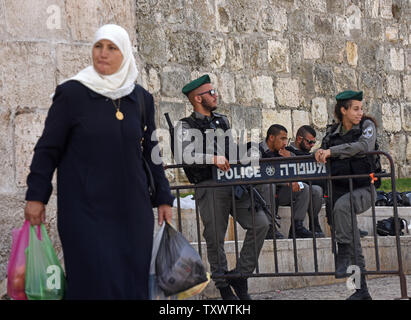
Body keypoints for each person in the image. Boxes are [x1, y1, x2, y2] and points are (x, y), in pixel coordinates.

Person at [24, 24, 174, 300]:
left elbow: (151, 151)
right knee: (93, 283)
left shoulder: (140, 98)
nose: (103, 53)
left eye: (112, 48)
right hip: (85, 211)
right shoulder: (71, 94)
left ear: (125, 53)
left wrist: (164, 197)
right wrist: (36, 196)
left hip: (132, 211)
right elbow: (48, 149)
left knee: (132, 285)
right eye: (98, 46)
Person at [178, 74, 270, 300]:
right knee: (215, 238)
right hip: (209, 185)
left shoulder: (222, 120)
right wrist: (212, 158)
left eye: (213, 91)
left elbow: (230, 149)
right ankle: (223, 287)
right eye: (210, 92)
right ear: (198, 99)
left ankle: (240, 275)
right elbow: (185, 155)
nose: (215, 94)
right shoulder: (184, 125)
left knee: (261, 223)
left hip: (232, 181)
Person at [314, 90, 377, 300]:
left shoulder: (367, 127)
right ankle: (360, 291)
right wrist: (319, 153)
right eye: (356, 108)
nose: (361, 112)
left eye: (361, 108)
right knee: (353, 243)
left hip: (362, 189)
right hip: (339, 191)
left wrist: (332, 152)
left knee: (344, 225)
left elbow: (364, 146)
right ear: (343, 110)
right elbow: (322, 151)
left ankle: (342, 253)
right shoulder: (332, 133)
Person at [259, 124, 318, 239]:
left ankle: (297, 227)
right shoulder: (257, 150)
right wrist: (286, 182)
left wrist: (288, 158)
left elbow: (297, 171)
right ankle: (269, 228)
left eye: (286, 139)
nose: (285, 143)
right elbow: (259, 174)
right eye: (282, 139)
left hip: (279, 193)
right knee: (268, 185)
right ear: (271, 138)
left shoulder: (282, 152)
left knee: (303, 187)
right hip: (259, 192)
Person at [285, 125, 325, 237]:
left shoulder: (310, 155)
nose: (312, 145)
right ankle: (296, 227)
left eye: (314, 142)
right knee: (305, 187)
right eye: (309, 142)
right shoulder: (287, 152)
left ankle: (314, 222)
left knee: (317, 190)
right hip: (288, 190)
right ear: (299, 139)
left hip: (305, 191)